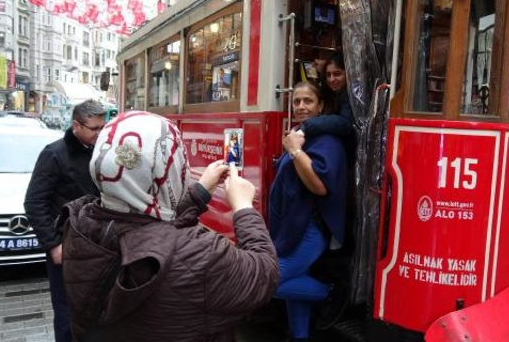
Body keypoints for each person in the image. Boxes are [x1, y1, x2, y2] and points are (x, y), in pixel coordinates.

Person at [61, 111, 279, 341]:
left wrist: (201, 190)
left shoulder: (79, 223)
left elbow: (154, 230)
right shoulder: (199, 254)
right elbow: (265, 273)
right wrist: (244, 207)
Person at [269, 82, 348, 341]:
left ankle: (331, 291)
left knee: (267, 282)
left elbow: (320, 186)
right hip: (291, 228)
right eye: (296, 101)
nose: (301, 106)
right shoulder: (300, 135)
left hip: (310, 230)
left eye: (308, 101)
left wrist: (294, 150)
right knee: (295, 282)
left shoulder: (327, 140)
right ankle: (299, 336)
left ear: (321, 106)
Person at [24, 100, 106, 342]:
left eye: (103, 127)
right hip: (66, 246)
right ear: (76, 126)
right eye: (94, 129)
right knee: (67, 314)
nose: (100, 133)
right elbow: (34, 203)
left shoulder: (101, 152)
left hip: (98, 246)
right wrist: (52, 245)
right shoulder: (54, 154)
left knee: (97, 311)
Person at [299, 53, 354, 141]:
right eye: (328, 75)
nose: (331, 79)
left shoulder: (350, 95)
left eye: (337, 74)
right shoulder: (331, 94)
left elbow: (345, 123)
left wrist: (306, 127)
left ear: (348, 74)